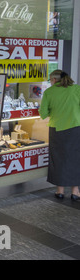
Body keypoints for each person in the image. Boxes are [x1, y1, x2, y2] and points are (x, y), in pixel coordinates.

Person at [39, 70, 80, 201]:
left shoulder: (49, 92)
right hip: (75, 128)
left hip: (57, 129)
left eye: (50, 80)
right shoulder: (77, 89)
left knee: (58, 159)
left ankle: (60, 190)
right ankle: (75, 191)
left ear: (54, 80)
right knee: (76, 159)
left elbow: (43, 113)